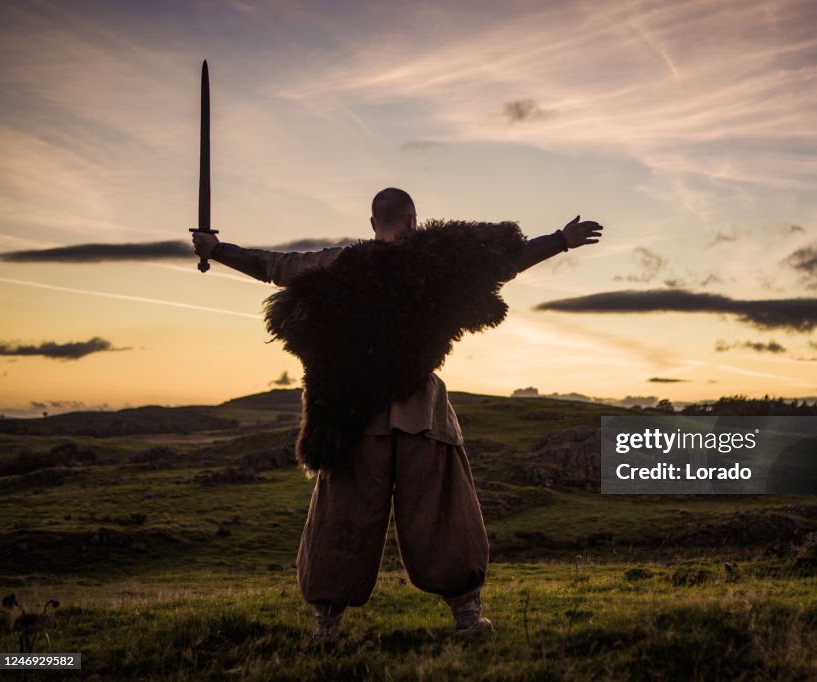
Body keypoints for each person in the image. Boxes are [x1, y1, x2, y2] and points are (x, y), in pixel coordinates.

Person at [192, 188, 603, 640]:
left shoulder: (335, 265)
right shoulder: (439, 263)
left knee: (342, 516)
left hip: (351, 417)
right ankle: (466, 617)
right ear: (412, 221)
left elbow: (272, 267)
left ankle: (327, 625)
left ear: (373, 224)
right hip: (421, 415)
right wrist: (560, 239)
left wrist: (218, 250)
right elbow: (503, 262)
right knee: (443, 513)